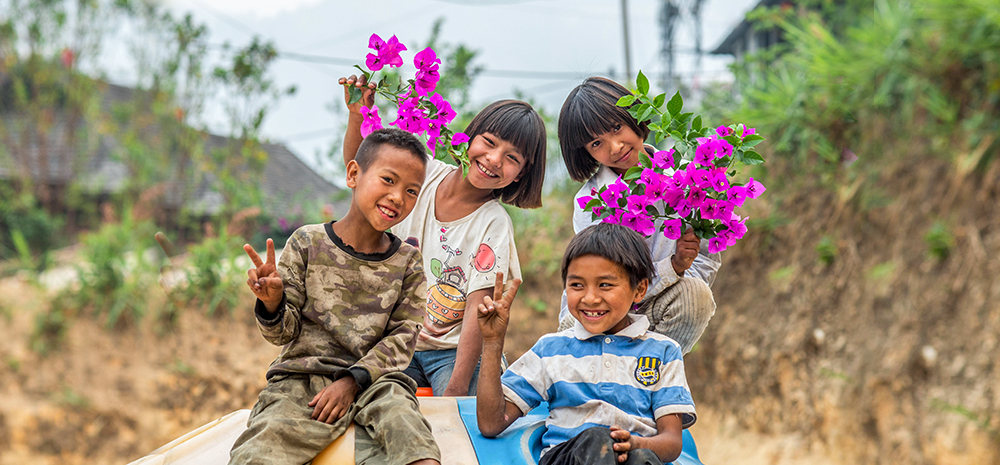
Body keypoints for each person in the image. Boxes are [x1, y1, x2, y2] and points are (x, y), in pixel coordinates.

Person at [229, 128, 440, 465]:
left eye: (411, 190)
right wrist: (271, 302)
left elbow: (403, 339)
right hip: (300, 381)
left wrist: (352, 382)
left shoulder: (408, 262)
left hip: (377, 384)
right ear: (354, 173)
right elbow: (282, 333)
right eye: (388, 180)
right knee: (256, 454)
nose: (398, 197)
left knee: (417, 449)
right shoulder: (306, 243)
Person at [340, 75, 547, 396]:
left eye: (512, 158)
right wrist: (357, 116)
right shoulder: (422, 172)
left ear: (521, 174)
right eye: (489, 143)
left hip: (453, 353)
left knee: (464, 420)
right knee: (357, 393)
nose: (494, 160)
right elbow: (363, 175)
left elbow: (477, 318)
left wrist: (456, 390)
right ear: (469, 137)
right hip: (397, 339)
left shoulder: (494, 224)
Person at [477, 223, 696, 465]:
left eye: (605, 285)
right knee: (599, 439)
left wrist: (637, 443)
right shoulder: (551, 350)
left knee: (641, 457)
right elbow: (491, 423)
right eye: (577, 285)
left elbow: (672, 442)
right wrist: (492, 341)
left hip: (633, 456)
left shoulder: (663, 352)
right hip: (566, 457)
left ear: (639, 290)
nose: (590, 298)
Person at [556, 76, 721, 354]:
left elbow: (705, 262)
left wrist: (683, 267)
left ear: (636, 115)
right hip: (598, 315)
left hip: (658, 311)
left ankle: (650, 377)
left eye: (617, 128)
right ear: (585, 153)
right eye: (597, 143)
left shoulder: (685, 180)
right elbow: (600, 280)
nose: (616, 146)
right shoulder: (591, 202)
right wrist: (673, 267)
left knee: (696, 295)